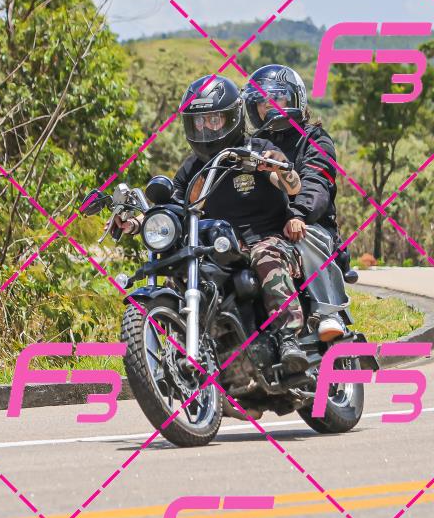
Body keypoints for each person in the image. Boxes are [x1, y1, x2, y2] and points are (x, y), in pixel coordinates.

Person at [115, 75, 311, 373]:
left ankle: (288, 338)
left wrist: (276, 167)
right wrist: (135, 222)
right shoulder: (194, 166)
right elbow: (171, 206)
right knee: (179, 271)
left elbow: (293, 186)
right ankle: (190, 347)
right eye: (199, 122)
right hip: (222, 247)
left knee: (265, 256)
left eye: (214, 120)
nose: (206, 128)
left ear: (232, 117)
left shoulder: (258, 148)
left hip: (269, 239)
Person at [241, 64, 349, 342]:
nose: (269, 105)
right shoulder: (253, 144)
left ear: (295, 98)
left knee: (301, 234)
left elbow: (317, 181)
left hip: (310, 224)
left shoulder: (314, 139)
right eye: (262, 100)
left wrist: (298, 213)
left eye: (277, 97)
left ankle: (328, 311)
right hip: (264, 230)